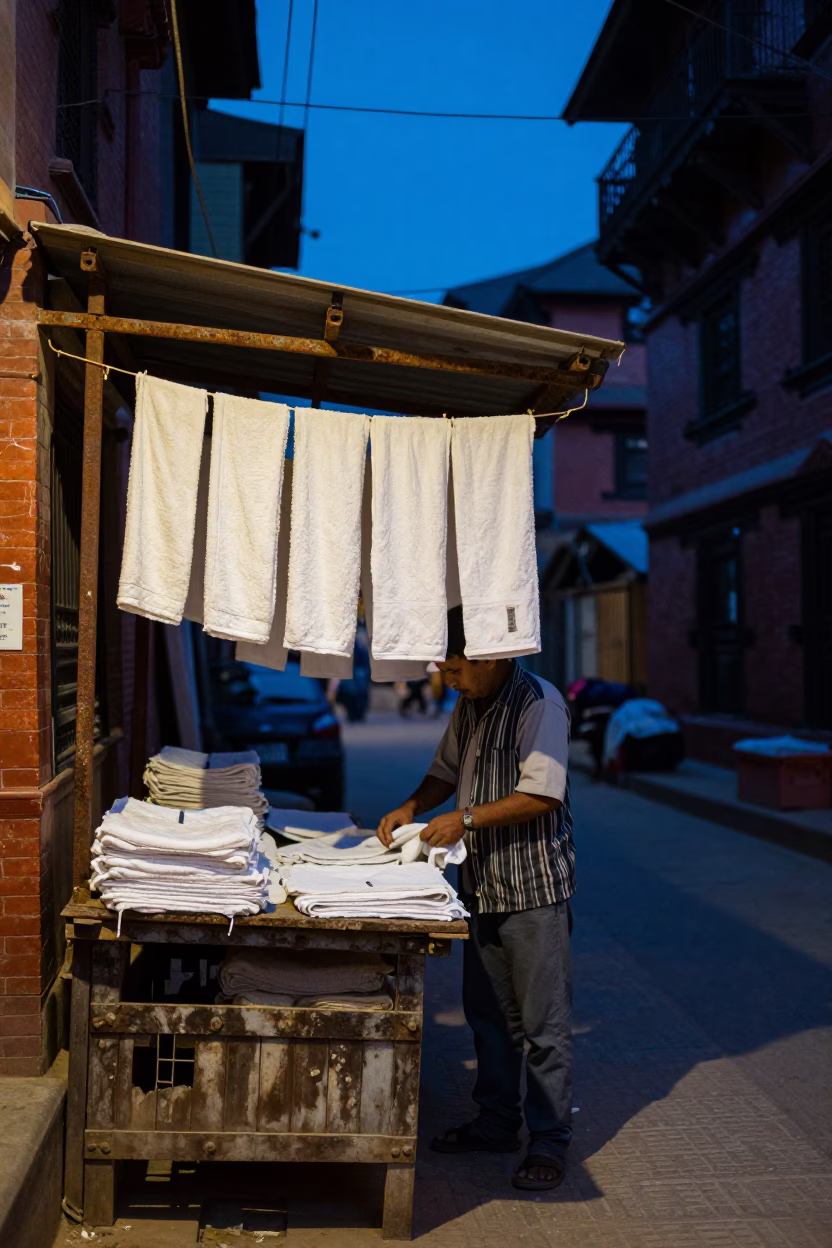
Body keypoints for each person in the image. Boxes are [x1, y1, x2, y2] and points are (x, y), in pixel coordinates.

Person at [378, 606, 574, 1192]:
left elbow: (543, 795)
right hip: (482, 885)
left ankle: (549, 1141)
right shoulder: (470, 705)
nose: (449, 679)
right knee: (489, 1017)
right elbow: (444, 771)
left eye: (457, 669)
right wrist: (414, 806)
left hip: (534, 887)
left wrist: (464, 819)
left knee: (543, 1024)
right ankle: (496, 1122)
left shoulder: (539, 703)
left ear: (489, 658)